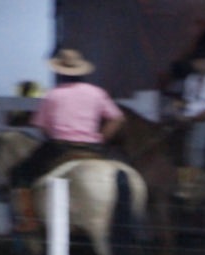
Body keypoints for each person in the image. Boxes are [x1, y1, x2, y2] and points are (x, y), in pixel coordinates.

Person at [9, 48, 125, 232]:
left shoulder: (53, 94)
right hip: (92, 148)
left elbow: (41, 125)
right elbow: (117, 118)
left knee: (20, 172)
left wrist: (54, 131)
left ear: (59, 72)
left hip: (60, 147)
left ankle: (29, 219)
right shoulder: (96, 92)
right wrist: (101, 138)